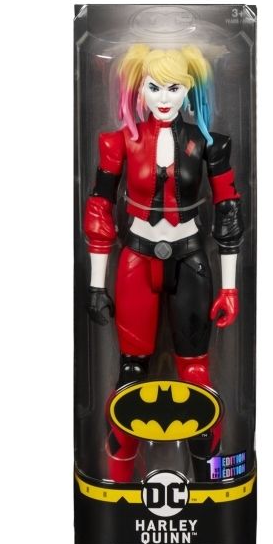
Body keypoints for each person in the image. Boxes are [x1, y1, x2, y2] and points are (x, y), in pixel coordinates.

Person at [83, 44, 244, 482]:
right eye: (154, 87)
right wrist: (96, 285)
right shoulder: (119, 142)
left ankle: (210, 482)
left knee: (196, 376)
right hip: (136, 260)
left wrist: (230, 287)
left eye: (174, 87)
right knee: (131, 376)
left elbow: (228, 211)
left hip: (190, 261)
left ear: (189, 89)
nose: (164, 98)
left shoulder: (208, 144)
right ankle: (117, 486)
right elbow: (99, 209)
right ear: (140, 90)